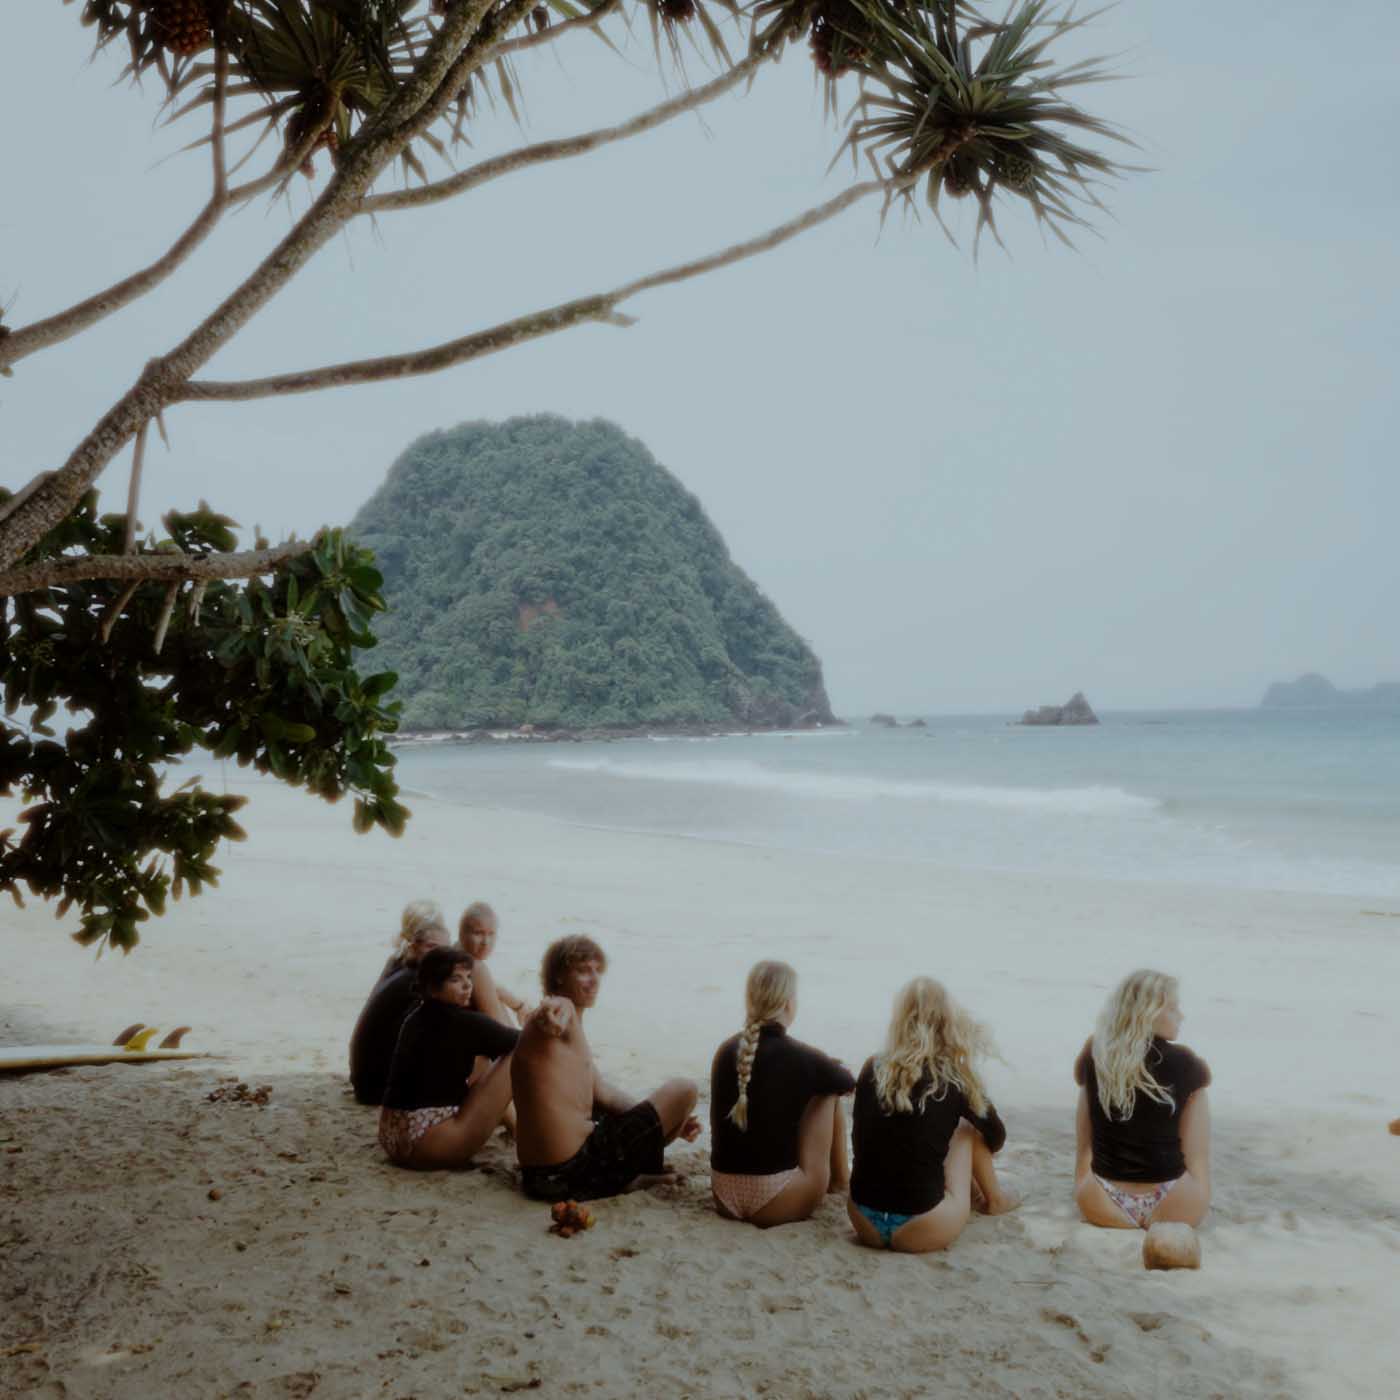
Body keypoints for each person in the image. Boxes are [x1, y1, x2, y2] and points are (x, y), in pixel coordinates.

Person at [511, 934, 701, 1202]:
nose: (594, 979)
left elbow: (604, 1094)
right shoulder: (559, 1012)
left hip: (540, 1179)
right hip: (572, 1171)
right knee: (686, 1089)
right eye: (583, 971)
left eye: (597, 971)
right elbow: (554, 1009)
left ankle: (631, 1178)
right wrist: (551, 1014)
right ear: (559, 977)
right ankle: (628, 1177)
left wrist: (664, 1121)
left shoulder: (572, 1032)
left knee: (612, 1112)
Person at [847, 977, 1018, 1252]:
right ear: (947, 1023)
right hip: (923, 1225)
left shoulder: (872, 1066)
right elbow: (997, 1136)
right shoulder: (953, 1078)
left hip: (863, 1220)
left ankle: (975, 1192)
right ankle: (995, 1199)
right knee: (967, 1129)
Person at [709, 960, 855, 1227]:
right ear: (789, 1003)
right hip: (775, 1201)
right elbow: (846, 1082)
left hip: (723, 1195)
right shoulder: (801, 1056)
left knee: (815, 1085)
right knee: (827, 1092)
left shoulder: (725, 1050)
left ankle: (840, 1181)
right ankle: (841, 1182)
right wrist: (826, 1067)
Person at [1073, 969, 1211, 1230]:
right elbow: (1197, 1158)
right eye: (1173, 1008)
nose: (1181, 1015)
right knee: (1197, 1091)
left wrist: (1082, 1179)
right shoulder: (1185, 1062)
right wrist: (1200, 1192)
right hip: (1175, 1202)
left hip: (1100, 1200)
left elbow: (1084, 1148)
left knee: (1091, 1082)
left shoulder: (1097, 1052)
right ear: (1148, 1011)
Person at [378, 947, 520, 1168]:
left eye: (469, 977)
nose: (468, 985)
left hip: (393, 1138)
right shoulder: (463, 1022)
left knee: (483, 1059)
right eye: (456, 979)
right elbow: (527, 1043)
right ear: (433, 988)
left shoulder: (414, 1018)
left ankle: (516, 1128)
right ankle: (524, 1131)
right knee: (518, 1055)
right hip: (425, 1144)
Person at [349, 902, 448, 1105]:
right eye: (432, 945)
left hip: (364, 1080)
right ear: (415, 943)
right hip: (378, 1088)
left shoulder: (397, 963)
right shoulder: (417, 979)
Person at [457, 902, 529, 1027]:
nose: (486, 942)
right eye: (478, 933)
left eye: (491, 934)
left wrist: (518, 1005)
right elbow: (500, 1029)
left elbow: (492, 986)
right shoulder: (476, 968)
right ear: (462, 933)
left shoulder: (455, 951)